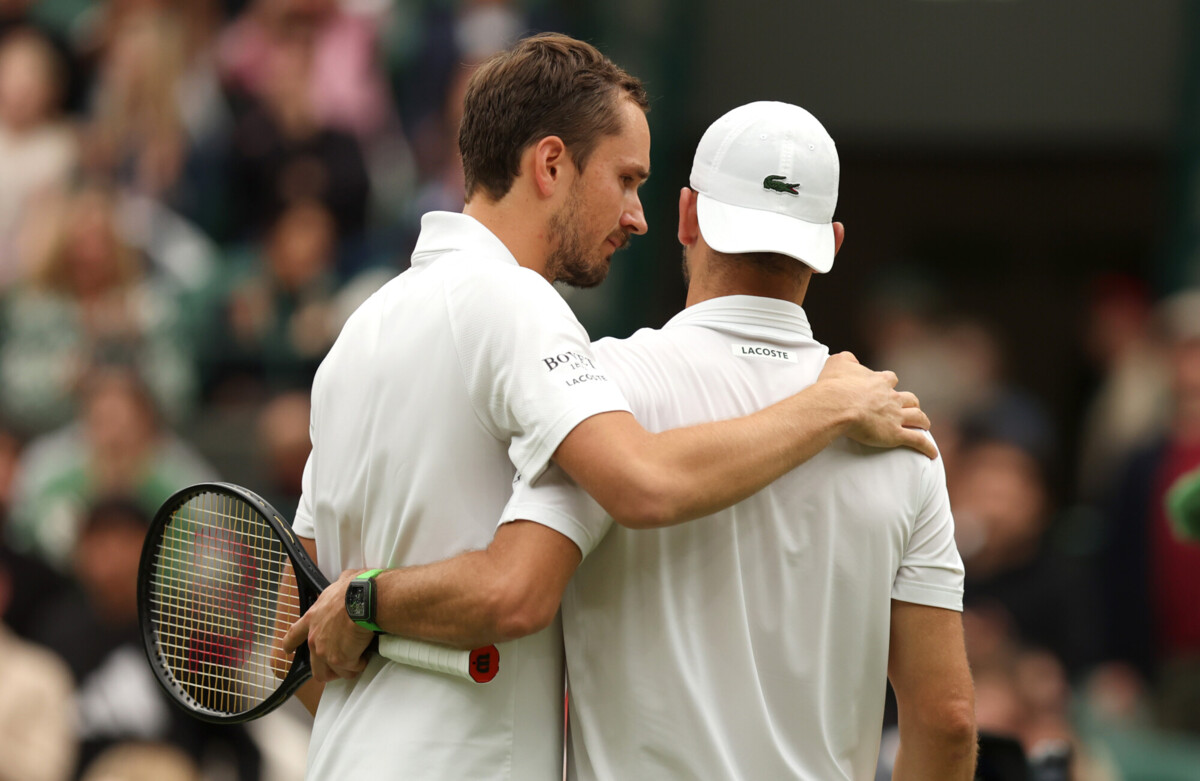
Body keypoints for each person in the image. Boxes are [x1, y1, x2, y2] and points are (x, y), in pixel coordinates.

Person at [285, 35, 935, 780]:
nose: (638, 217)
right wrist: (826, 407)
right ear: (551, 163)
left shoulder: (361, 331)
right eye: (626, 181)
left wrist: (373, 652)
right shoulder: (517, 302)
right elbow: (637, 488)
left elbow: (293, 630)